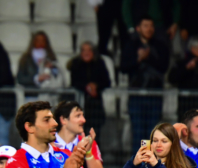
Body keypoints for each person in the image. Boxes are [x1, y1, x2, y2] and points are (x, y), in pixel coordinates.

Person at [121, 16, 170, 153]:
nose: (149, 29)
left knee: (152, 134)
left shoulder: (160, 46)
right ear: (138, 28)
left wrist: (149, 57)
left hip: (155, 96)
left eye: (151, 26)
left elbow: (164, 67)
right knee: (138, 133)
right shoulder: (131, 45)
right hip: (136, 96)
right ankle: (138, 166)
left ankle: (150, 167)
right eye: (145, 26)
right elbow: (124, 67)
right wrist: (138, 59)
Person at [69, 42, 111, 138]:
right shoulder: (76, 64)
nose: (86, 53)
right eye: (84, 50)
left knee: (95, 135)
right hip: (80, 104)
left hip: (96, 105)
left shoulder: (99, 63)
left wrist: (96, 86)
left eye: (89, 50)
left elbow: (106, 81)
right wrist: (87, 87)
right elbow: (74, 82)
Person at [169, 38, 198, 118]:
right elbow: (172, 78)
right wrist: (186, 68)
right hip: (185, 105)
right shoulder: (182, 61)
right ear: (192, 48)